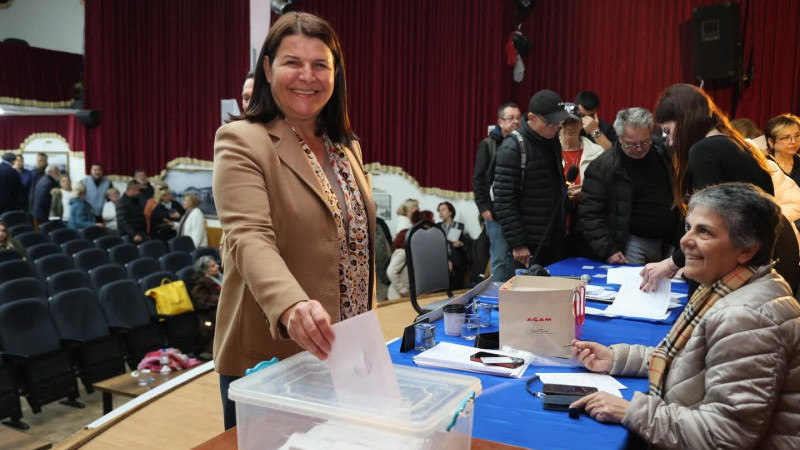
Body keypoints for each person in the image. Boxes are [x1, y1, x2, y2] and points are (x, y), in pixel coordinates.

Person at [212, 11, 375, 430]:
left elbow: (356, 248)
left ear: (335, 73)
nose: (308, 76)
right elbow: (249, 237)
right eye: (292, 62)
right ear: (268, 69)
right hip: (273, 358)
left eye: (320, 64)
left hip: (351, 355)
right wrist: (291, 305)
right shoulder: (241, 141)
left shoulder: (346, 147)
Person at [570, 183, 800, 449]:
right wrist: (616, 358)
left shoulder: (746, 318)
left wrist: (631, 411)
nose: (685, 240)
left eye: (704, 232)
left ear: (746, 250)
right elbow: (690, 361)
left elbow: (724, 436)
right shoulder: (739, 287)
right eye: (689, 227)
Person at [641, 83, 775, 291]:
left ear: (685, 122)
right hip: (752, 262)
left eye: (669, 131)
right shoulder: (734, 144)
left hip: (733, 264)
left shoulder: (704, 150)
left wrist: (671, 263)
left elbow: (707, 224)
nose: (669, 142)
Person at [579, 108, 680, 264]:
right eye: (631, 144)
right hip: (629, 245)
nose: (639, 149)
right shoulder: (602, 167)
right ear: (619, 138)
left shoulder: (661, 152)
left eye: (644, 142)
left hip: (667, 241)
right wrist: (608, 249)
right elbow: (590, 215)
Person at [493, 89, 574, 269]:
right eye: (550, 123)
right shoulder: (513, 148)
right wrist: (518, 243)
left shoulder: (551, 140)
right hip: (528, 243)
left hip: (554, 235)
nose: (555, 127)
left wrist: (563, 217)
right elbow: (503, 200)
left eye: (558, 122)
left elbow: (557, 183)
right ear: (532, 117)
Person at [473, 102, 521, 282]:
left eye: (518, 118)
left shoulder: (523, 142)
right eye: (511, 118)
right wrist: (483, 207)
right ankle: (497, 299)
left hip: (517, 211)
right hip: (494, 212)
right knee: (499, 257)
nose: (516, 122)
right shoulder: (488, 145)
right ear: (500, 122)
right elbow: (478, 178)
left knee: (514, 258)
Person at [559, 102, 604, 258]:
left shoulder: (596, 152)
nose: (569, 126)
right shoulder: (549, 150)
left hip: (586, 222)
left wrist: (585, 191)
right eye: (564, 122)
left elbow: (605, 187)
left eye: (573, 122)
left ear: (581, 124)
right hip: (558, 221)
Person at [188, 256, 222, 357]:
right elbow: (202, 301)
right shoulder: (200, 283)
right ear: (205, 270)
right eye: (213, 266)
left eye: (216, 264)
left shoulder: (220, 277)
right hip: (208, 313)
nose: (217, 266)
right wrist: (224, 299)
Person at [437, 201, 470, 290]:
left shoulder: (460, 226)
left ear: (450, 212)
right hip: (442, 262)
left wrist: (461, 244)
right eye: (439, 210)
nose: (441, 212)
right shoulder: (437, 227)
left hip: (458, 262)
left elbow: (469, 243)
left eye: (443, 210)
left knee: (457, 288)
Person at [765, 113, 800, 186]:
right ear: (771, 142)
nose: (794, 141)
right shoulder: (764, 166)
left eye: (797, 136)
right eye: (786, 137)